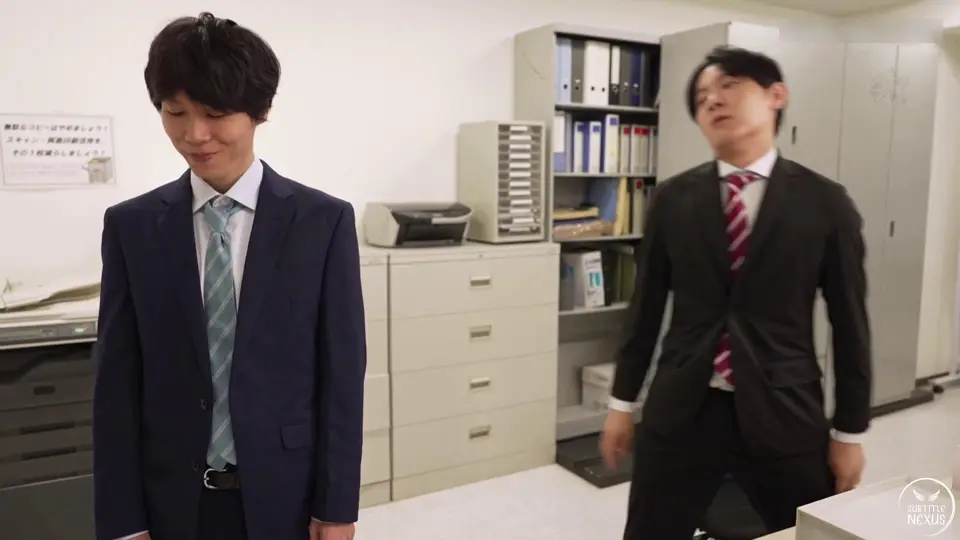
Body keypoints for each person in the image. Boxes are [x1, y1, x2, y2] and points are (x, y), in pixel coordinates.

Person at [92, 12, 365, 540]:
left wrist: (336, 507)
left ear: (260, 111)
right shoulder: (132, 227)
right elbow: (116, 386)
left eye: (215, 113)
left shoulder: (323, 222)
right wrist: (122, 522)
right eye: (176, 112)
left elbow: (341, 376)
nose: (195, 135)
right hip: (171, 499)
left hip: (286, 494)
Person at [599, 46, 872, 540]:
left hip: (784, 409)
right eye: (702, 95)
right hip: (682, 408)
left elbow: (851, 324)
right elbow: (645, 309)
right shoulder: (673, 199)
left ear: (775, 95)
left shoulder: (825, 203)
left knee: (808, 533)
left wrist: (849, 432)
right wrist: (622, 403)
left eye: (729, 85)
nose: (713, 100)